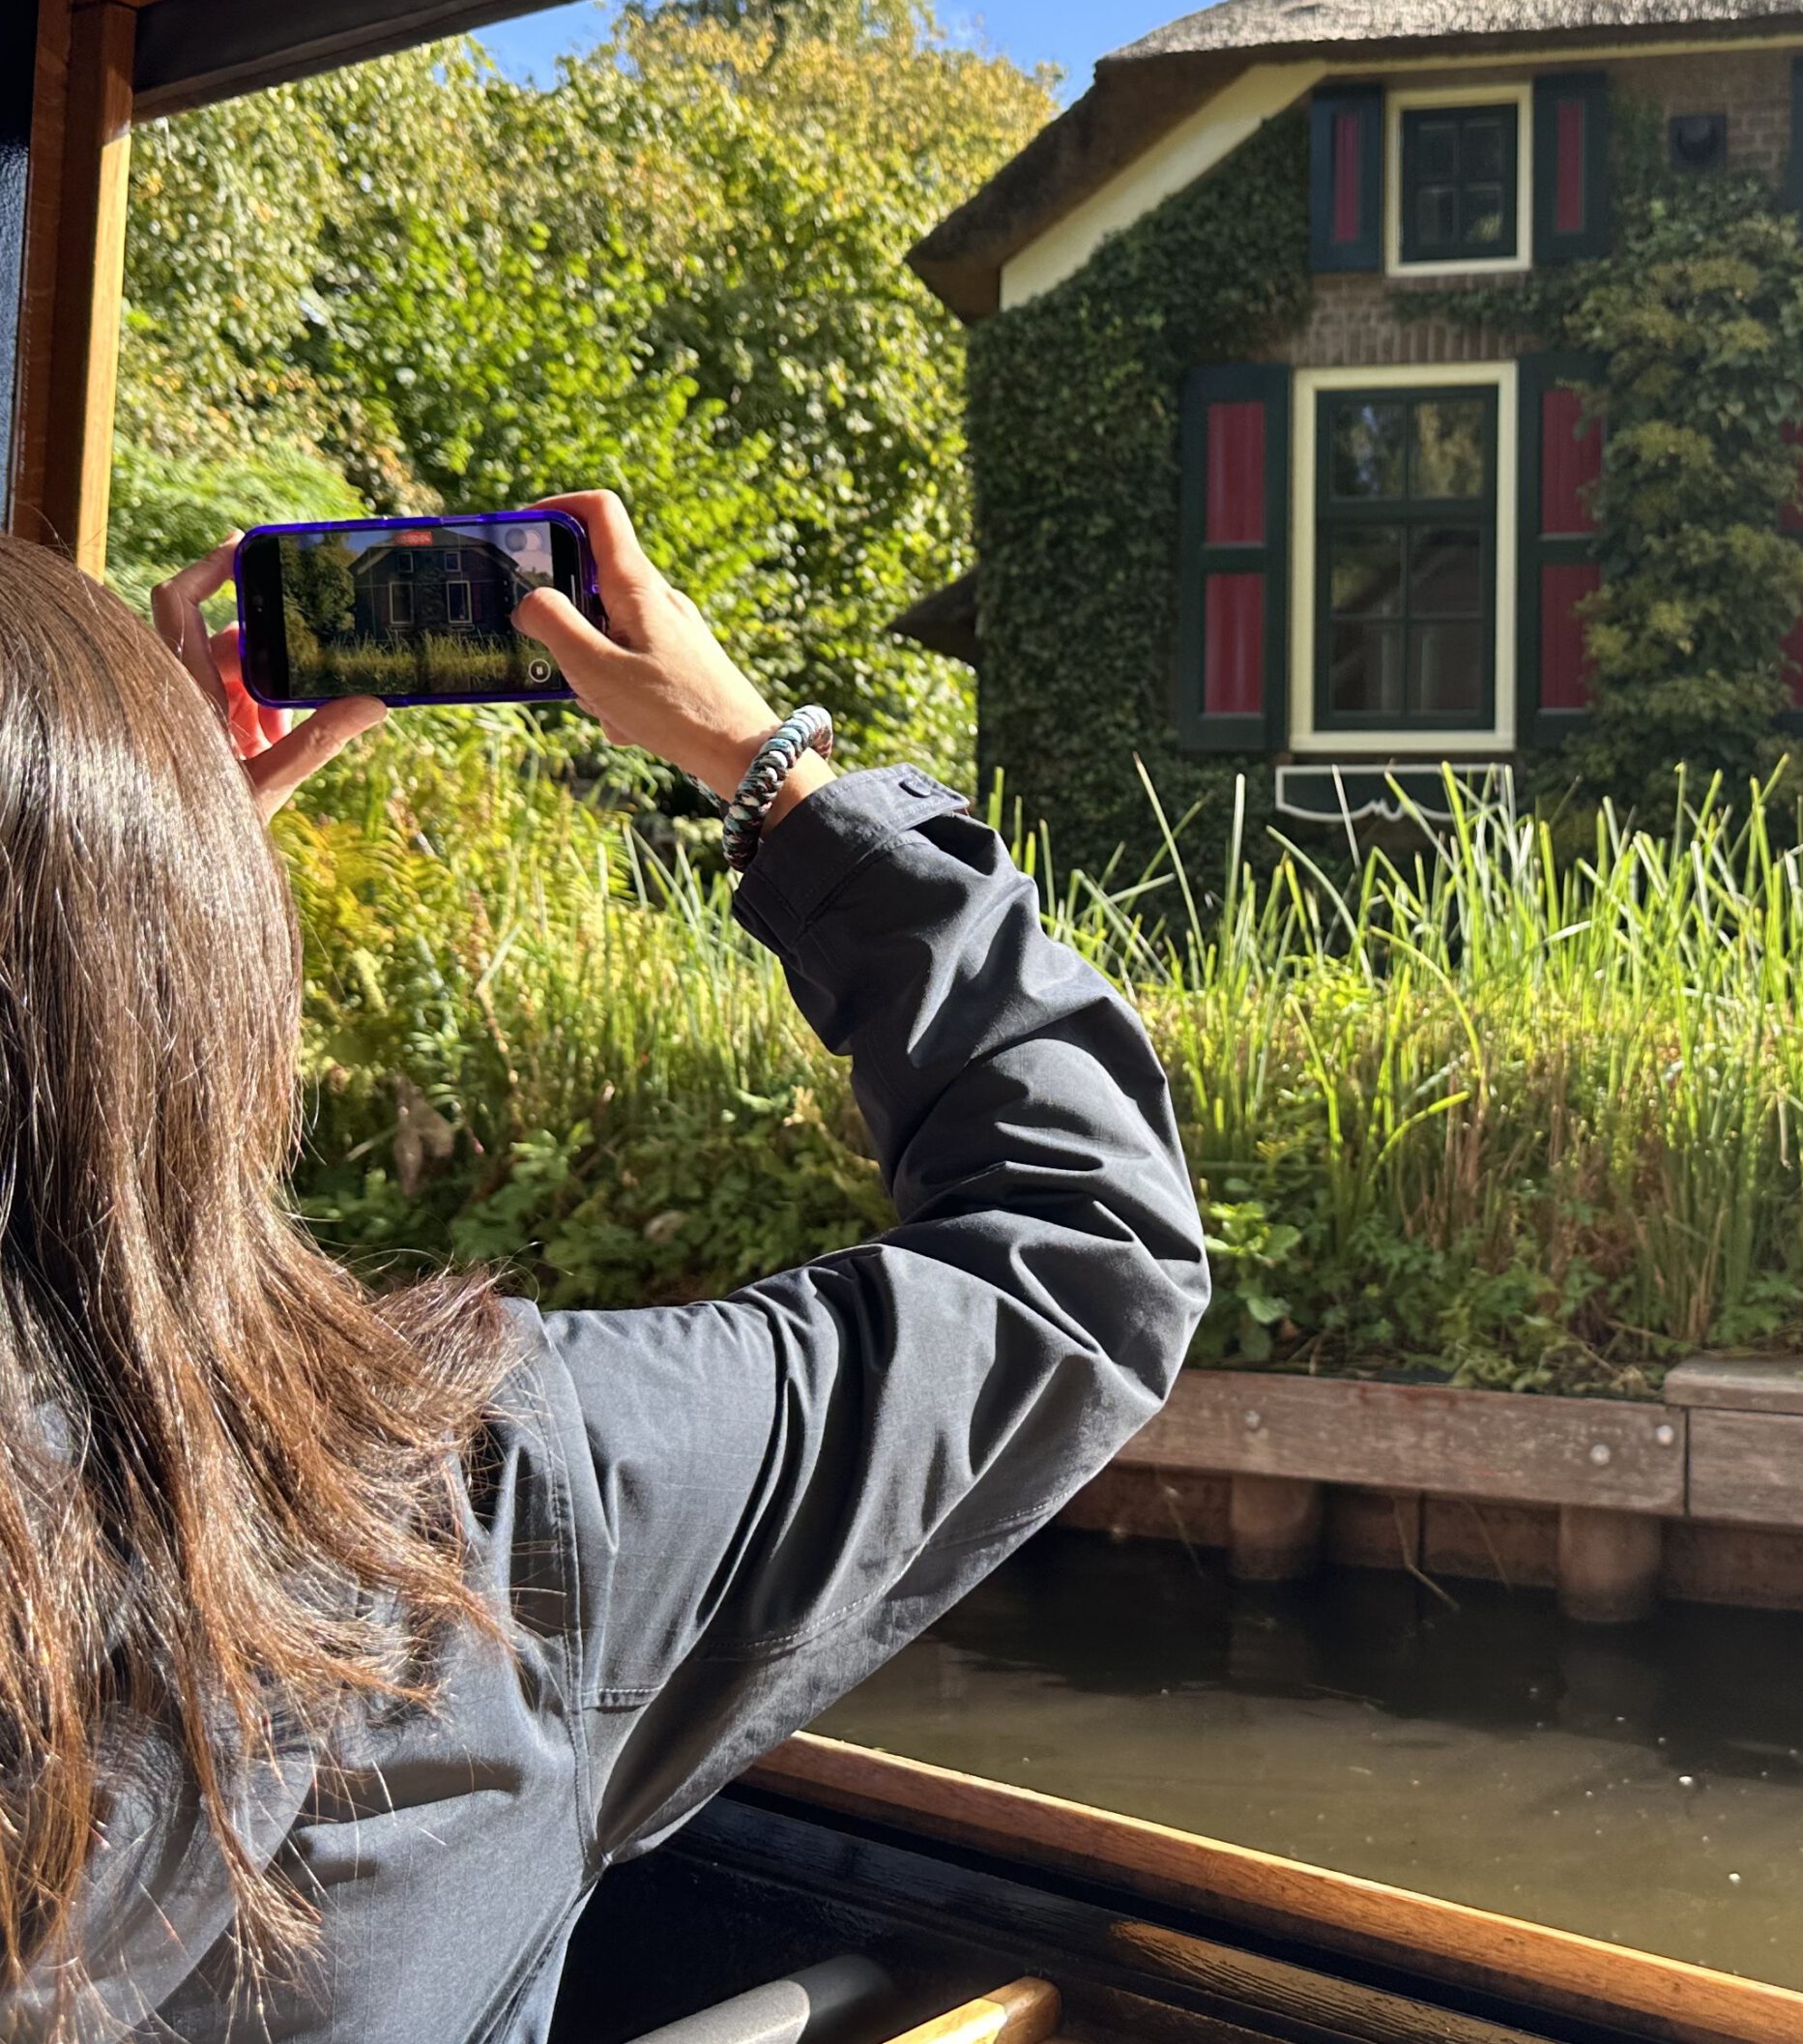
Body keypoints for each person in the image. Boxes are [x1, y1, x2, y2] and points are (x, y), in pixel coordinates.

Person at [0, 491, 1207, 2042]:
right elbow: (1090, 1252)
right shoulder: (471, 1514)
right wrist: (773, 774)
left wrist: (143, 902)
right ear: (212, 984)